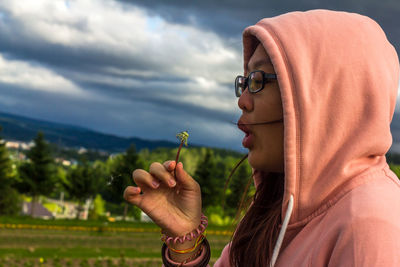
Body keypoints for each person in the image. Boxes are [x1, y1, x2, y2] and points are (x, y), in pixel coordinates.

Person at [124, 9, 400, 266]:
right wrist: (185, 240)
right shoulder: (275, 213)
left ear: (325, 92)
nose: (242, 101)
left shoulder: (370, 223)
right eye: (244, 82)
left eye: (257, 80)